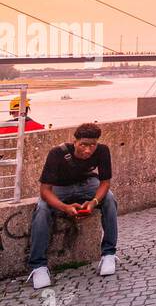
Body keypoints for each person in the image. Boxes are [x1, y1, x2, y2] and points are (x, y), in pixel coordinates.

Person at [27, 123, 118, 290]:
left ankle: (109, 253)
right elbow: (45, 191)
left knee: (110, 199)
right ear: (75, 142)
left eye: (92, 145)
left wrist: (93, 202)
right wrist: (64, 207)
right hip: (60, 188)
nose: (88, 150)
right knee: (42, 209)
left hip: (87, 184)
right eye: (83, 144)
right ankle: (38, 266)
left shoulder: (102, 151)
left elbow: (105, 183)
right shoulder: (57, 153)